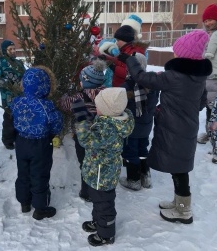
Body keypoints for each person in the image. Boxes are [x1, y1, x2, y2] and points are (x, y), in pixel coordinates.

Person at [117, 30, 212, 224]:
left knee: (179, 170)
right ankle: (179, 203)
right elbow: (201, 103)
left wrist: (130, 61)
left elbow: (143, 78)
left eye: (177, 52)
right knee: (180, 167)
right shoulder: (198, 78)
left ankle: (184, 210)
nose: (174, 54)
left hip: (174, 128)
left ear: (184, 55)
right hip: (187, 127)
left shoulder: (173, 76)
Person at [71, 88, 134, 246]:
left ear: (107, 110)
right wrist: (91, 117)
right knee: (98, 201)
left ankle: (106, 234)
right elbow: (99, 128)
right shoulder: (113, 120)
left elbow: (86, 140)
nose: (96, 107)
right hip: (100, 172)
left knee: (104, 204)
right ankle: (98, 222)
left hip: (102, 175)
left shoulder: (108, 129)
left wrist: (81, 119)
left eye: (98, 106)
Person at [10, 66, 63, 220]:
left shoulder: (17, 102)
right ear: (46, 85)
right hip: (40, 145)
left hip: (21, 142)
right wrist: (52, 133)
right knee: (39, 174)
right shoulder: (47, 106)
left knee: (23, 172)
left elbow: (11, 118)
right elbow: (56, 123)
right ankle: (40, 208)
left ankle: (24, 202)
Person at [59, 59, 106, 202]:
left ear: (85, 82)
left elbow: (64, 104)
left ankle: (86, 192)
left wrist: (64, 95)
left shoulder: (78, 98)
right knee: (99, 162)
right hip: (101, 135)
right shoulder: (106, 95)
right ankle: (100, 187)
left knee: (85, 163)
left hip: (83, 136)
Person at [119, 53, 159, 191]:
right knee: (143, 150)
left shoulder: (127, 85)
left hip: (132, 127)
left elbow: (121, 105)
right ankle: (145, 177)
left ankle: (133, 180)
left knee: (131, 152)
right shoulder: (152, 84)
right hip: (146, 125)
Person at [0, 40, 25, 150]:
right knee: (9, 120)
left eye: (14, 48)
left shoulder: (19, 63)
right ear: (4, 51)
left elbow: (25, 76)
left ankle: (19, 137)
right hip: (8, 98)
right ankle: (8, 140)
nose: (13, 51)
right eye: (10, 49)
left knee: (20, 117)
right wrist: (7, 84)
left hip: (21, 97)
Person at [197, 4, 217, 144]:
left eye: (211, 19)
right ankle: (210, 133)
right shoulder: (203, 35)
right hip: (206, 77)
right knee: (208, 107)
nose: (208, 23)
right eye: (206, 21)